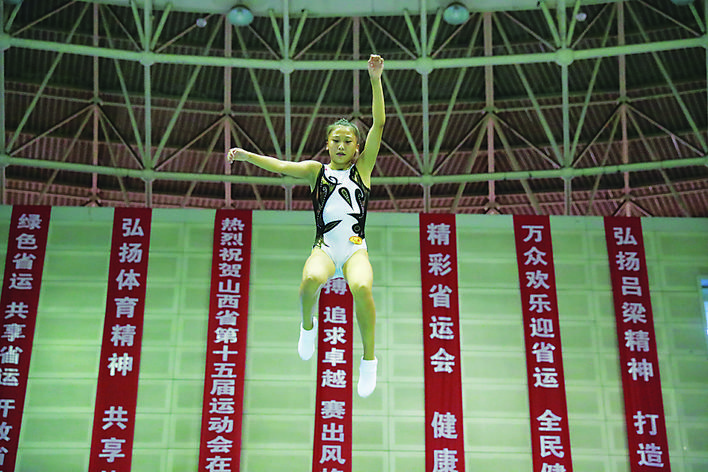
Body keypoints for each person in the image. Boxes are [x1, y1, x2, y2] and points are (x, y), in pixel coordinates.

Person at [226, 54, 385, 397]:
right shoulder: (317, 172)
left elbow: (380, 123)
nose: (341, 145)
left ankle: (369, 360)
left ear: (357, 148)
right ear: (327, 144)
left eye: (348, 141)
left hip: (355, 250)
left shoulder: (363, 170)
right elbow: (282, 166)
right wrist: (247, 156)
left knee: (361, 287)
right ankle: (307, 326)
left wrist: (375, 80)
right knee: (310, 279)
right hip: (325, 249)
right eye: (335, 140)